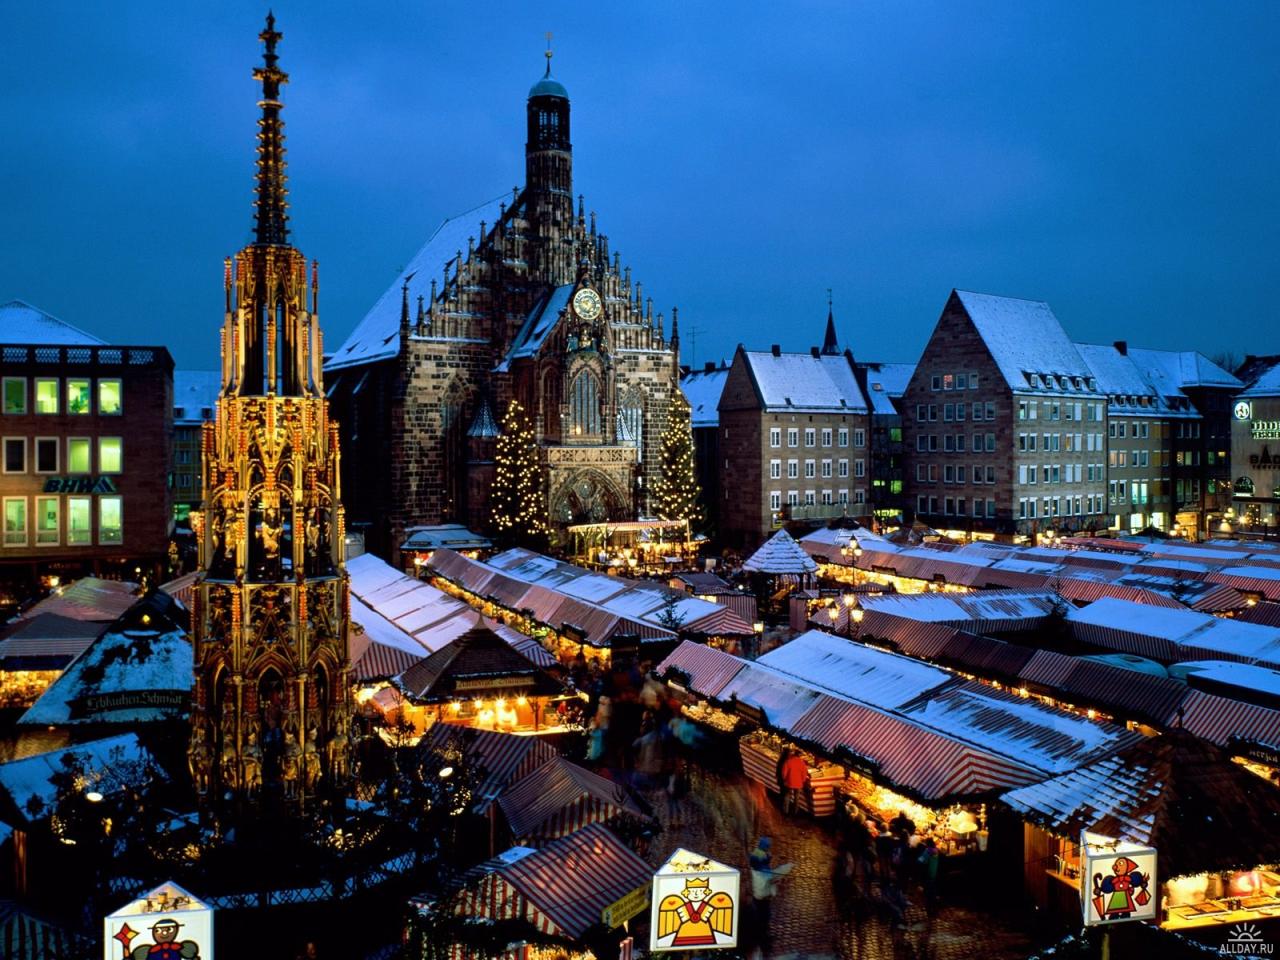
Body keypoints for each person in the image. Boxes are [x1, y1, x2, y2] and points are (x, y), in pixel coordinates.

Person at [779, 749, 809, 815]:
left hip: (789, 782)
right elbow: (804, 774)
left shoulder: (788, 761)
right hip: (798, 783)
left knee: (787, 796)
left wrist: (784, 780)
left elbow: (784, 773)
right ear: (800, 756)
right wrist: (803, 781)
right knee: (797, 798)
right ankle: (795, 812)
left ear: (794, 754)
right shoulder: (802, 763)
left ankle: (785, 811)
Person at [918, 837, 941, 914]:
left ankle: (929, 909)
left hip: (928, 872)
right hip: (935, 872)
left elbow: (921, 860)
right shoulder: (936, 851)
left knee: (928, 892)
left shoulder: (928, 851)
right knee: (933, 890)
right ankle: (935, 907)